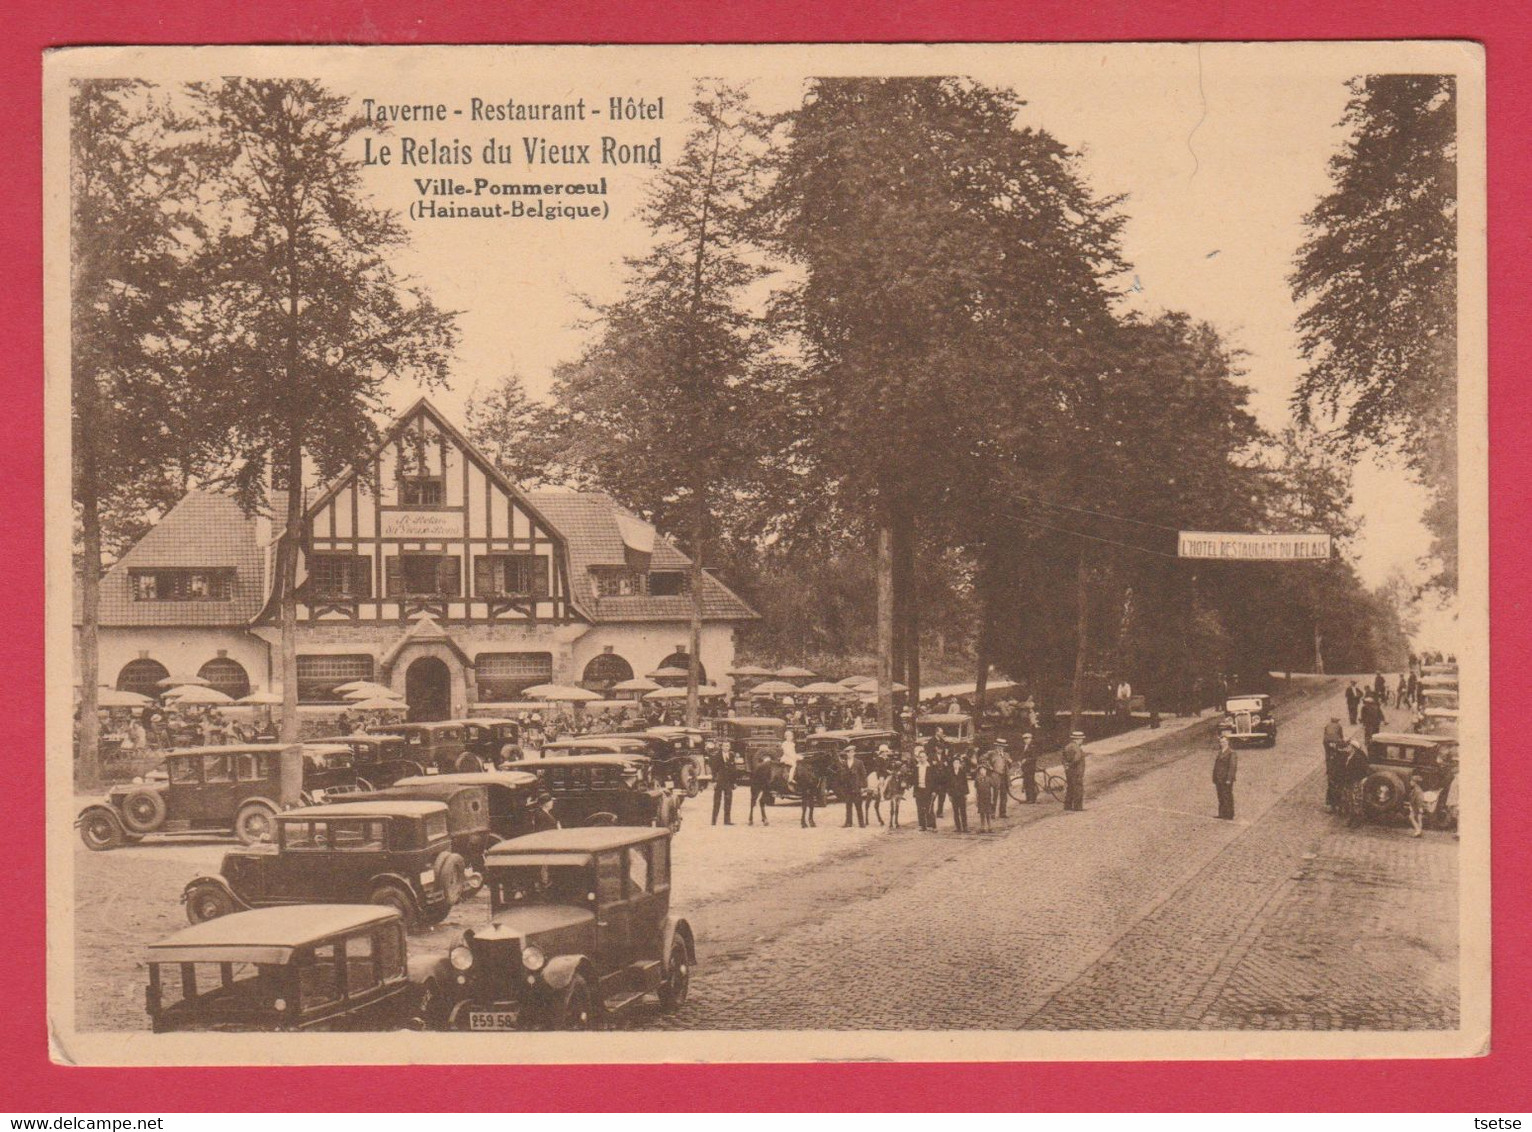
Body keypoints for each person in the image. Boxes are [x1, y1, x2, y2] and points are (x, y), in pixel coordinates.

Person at [1342, 734, 1372, 827]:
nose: (1347, 748)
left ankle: (1357, 820)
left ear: (1353, 748)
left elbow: (1364, 770)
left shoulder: (1358, 758)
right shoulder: (1349, 756)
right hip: (1349, 781)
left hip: (1356, 781)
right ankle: (1351, 817)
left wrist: (1362, 779)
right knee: (1349, 800)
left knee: (1356, 800)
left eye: (1349, 746)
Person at [838, 746, 868, 828]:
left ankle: (861, 823)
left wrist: (863, 786)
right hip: (848, 788)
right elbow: (842, 775)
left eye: (851, 752)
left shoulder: (859, 762)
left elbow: (863, 775)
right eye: (848, 752)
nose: (849, 754)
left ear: (854, 753)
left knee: (858, 805)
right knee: (848, 806)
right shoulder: (844, 763)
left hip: (856, 787)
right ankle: (848, 823)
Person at [708, 740, 736, 826]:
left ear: (729, 747)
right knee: (717, 801)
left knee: (728, 801)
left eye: (728, 746)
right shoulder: (716, 756)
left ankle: (727, 821)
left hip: (728, 782)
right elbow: (714, 770)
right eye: (724, 746)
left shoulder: (731, 755)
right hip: (719, 781)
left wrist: (734, 782)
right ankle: (713, 821)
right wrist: (714, 781)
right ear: (722, 747)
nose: (726, 748)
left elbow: (733, 770)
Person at [1322, 716, 1347, 810]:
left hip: (1326, 742)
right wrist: (1342, 741)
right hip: (1336, 771)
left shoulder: (1327, 725)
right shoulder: (1339, 726)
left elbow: (1325, 735)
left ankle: (1332, 804)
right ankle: (1337, 805)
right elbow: (1341, 736)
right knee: (1337, 786)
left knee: (1332, 785)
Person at [1213, 731, 1237, 820]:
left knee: (1227, 796)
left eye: (1224, 742)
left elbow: (1232, 767)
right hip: (1219, 778)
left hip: (1226, 779)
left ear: (1228, 742)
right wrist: (1214, 777)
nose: (1222, 744)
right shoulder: (1220, 752)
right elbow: (1216, 766)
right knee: (1221, 796)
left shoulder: (1231, 752)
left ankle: (1229, 814)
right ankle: (1222, 813)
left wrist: (1229, 779)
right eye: (1221, 742)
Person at [912, 745, 935, 831]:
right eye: (920, 757)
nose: (922, 759)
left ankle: (931, 825)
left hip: (928, 790)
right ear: (918, 758)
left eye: (923, 757)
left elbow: (934, 781)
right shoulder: (916, 767)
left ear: (926, 757)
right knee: (920, 808)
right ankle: (922, 825)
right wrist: (914, 791)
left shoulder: (931, 767)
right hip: (919, 790)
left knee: (929, 807)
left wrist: (934, 791)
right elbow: (914, 780)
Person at [1062, 731, 1086, 811]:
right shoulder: (1076, 747)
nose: (1082, 741)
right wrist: (1071, 764)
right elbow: (1077, 758)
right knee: (1078, 788)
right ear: (1077, 739)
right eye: (1081, 739)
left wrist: (1067, 766)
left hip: (1069, 771)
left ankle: (1067, 806)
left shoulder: (1067, 746)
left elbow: (1063, 758)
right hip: (1076, 770)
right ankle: (1078, 807)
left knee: (1070, 787)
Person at [947, 752, 971, 832]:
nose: (956, 764)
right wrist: (949, 795)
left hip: (961, 794)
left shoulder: (962, 773)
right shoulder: (950, 773)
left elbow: (965, 784)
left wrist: (965, 794)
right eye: (954, 763)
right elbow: (948, 785)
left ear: (960, 764)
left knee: (963, 811)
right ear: (952, 764)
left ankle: (965, 827)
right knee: (955, 811)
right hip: (954, 795)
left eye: (957, 763)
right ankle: (958, 827)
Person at [987, 737, 1011, 818]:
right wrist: (989, 766)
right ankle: (992, 813)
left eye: (1002, 746)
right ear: (996, 746)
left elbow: (1009, 766)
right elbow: (982, 759)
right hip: (995, 776)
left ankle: (1003, 813)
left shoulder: (1006, 755)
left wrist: (1009, 762)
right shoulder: (991, 753)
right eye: (999, 746)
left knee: (1004, 795)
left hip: (1004, 776)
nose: (1001, 748)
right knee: (994, 795)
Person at [973, 754, 995, 832]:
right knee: (982, 813)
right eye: (981, 770)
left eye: (984, 770)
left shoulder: (989, 779)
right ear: (979, 771)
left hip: (988, 798)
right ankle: (983, 827)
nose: (982, 771)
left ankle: (990, 827)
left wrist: (992, 799)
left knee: (988, 813)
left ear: (986, 771)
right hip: (981, 799)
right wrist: (976, 800)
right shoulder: (977, 780)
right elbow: (976, 791)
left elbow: (992, 789)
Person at [884, 754, 905, 830]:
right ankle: (885, 793)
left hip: (897, 775)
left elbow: (901, 771)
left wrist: (900, 773)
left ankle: (901, 793)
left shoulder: (900, 764)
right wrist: (890, 772)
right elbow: (885, 769)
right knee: (887, 781)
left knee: (903, 783)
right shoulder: (888, 761)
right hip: (890, 774)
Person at [1018, 733, 1038, 803]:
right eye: (1024, 739)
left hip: (1030, 767)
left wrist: (1026, 760)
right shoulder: (1025, 746)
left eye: (1027, 738)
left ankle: (1032, 799)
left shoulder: (1033, 747)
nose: (1025, 740)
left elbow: (1034, 757)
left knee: (1030, 783)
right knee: (1026, 783)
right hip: (1025, 768)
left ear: (1031, 739)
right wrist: (1020, 761)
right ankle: (1028, 798)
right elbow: (1022, 755)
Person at [1406, 771, 1427, 838]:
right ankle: (1419, 831)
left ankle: (1418, 831)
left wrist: (1420, 808)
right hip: (1416, 806)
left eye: (1411, 781)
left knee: (1412, 817)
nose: (1410, 783)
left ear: (1415, 782)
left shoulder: (1417, 790)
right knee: (1418, 818)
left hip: (1417, 807)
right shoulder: (1416, 789)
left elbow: (1419, 799)